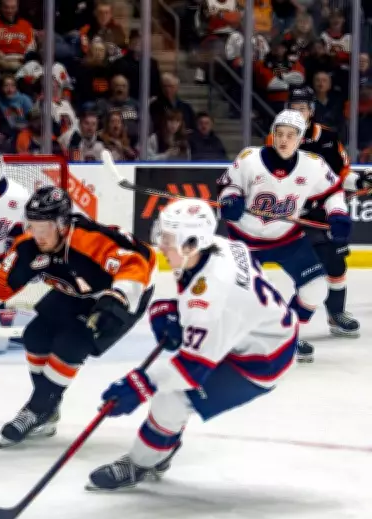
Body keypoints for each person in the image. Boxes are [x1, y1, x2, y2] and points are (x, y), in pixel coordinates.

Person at [86, 199, 298, 491]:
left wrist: (140, 384)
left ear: (192, 243)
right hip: (256, 332)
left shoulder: (211, 300)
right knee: (165, 324)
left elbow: (191, 370)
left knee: (172, 398)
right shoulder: (219, 247)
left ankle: (143, 462)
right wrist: (183, 315)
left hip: (261, 361)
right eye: (162, 234)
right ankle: (161, 447)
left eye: (169, 239)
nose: (161, 245)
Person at [0, 186, 156, 447]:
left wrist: (119, 296)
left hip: (125, 293)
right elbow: (1, 282)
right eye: (33, 226)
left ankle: (38, 406)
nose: (37, 235)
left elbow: (137, 262)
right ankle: (47, 407)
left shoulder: (88, 240)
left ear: (62, 225)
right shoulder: (29, 246)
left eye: (44, 228)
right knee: (35, 335)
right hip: (75, 291)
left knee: (71, 344)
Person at [217, 109, 350, 363]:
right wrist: (230, 200)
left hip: (288, 239)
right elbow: (227, 185)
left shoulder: (313, 165)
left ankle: (285, 334)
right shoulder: (249, 159)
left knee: (316, 288)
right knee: (242, 295)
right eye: (279, 133)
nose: (284, 140)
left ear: (300, 138)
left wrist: (338, 214)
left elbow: (333, 191)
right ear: (272, 135)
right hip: (245, 240)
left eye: (291, 135)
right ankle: (236, 337)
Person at [280, 86, 372, 338]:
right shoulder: (280, 137)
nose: (298, 113)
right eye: (293, 108)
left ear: (311, 110)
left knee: (336, 263)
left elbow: (341, 175)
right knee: (310, 270)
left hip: (324, 212)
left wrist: (360, 181)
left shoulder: (328, 138)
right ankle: (288, 324)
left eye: (302, 109)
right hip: (294, 214)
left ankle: (336, 314)